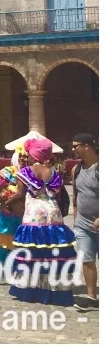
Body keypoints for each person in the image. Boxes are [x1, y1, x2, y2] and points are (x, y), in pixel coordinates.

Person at [7, 135, 76, 306]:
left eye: (29, 153)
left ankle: (31, 290)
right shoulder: (54, 173)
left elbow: (20, 194)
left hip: (34, 213)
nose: (27, 156)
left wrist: (7, 201)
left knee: (33, 252)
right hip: (53, 214)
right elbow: (58, 194)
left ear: (34, 155)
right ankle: (54, 291)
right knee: (52, 253)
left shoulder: (25, 172)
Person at [70, 132, 99, 309]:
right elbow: (76, 195)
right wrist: (75, 216)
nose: (73, 150)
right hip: (83, 224)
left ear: (87, 146)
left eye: (76, 146)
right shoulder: (76, 169)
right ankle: (91, 297)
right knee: (87, 259)